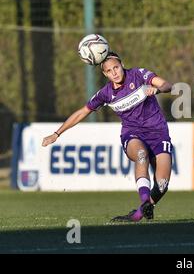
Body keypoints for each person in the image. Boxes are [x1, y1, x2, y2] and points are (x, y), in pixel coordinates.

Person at [42, 51, 174, 222]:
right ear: (104, 73)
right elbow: (82, 112)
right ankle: (144, 201)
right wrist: (56, 133)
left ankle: (138, 213)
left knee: (162, 185)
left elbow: (167, 85)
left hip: (158, 133)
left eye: (116, 67)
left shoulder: (138, 74)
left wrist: (157, 89)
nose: (114, 73)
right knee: (141, 154)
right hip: (133, 134)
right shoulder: (105, 93)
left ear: (122, 65)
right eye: (109, 70)